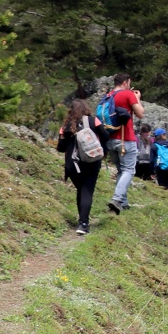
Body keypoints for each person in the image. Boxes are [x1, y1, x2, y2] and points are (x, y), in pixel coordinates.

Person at [57, 97, 107, 235]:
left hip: (73, 165)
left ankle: (82, 220)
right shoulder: (93, 121)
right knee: (87, 191)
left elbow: (60, 148)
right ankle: (83, 224)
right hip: (92, 162)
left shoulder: (65, 126)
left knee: (81, 190)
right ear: (86, 108)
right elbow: (105, 136)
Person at [105, 73, 146, 214]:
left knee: (121, 171)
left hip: (110, 139)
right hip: (125, 139)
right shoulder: (127, 94)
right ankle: (116, 199)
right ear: (125, 82)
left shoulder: (109, 95)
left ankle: (123, 202)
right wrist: (137, 98)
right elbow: (141, 113)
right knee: (129, 170)